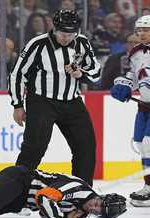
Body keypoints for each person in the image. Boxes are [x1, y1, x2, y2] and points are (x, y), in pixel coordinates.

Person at [8, 9, 101, 186]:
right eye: (62, 33)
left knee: (86, 147)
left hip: (72, 101)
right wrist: (17, 105)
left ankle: (82, 192)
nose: (66, 38)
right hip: (42, 101)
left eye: (71, 34)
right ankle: (17, 192)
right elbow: (17, 74)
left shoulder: (82, 42)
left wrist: (81, 73)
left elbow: (96, 72)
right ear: (54, 28)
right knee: (34, 148)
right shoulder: (37, 44)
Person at [110, 15, 150, 207]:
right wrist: (124, 84)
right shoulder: (135, 52)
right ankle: (148, 186)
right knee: (141, 144)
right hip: (144, 106)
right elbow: (133, 75)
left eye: (146, 30)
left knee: (149, 143)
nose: (141, 33)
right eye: (139, 30)